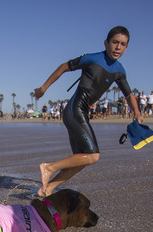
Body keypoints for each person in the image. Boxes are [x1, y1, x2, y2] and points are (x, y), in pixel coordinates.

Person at [33, 26, 142, 197]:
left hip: (82, 112)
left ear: (126, 47)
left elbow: (128, 94)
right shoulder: (93, 58)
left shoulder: (120, 71)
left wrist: (137, 112)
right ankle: (48, 167)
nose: (118, 47)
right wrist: (43, 88)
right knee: (93, 156)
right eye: (115, 42)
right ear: (106, 43)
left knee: (81, 159)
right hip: (75, 109)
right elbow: (64, 67)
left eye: (123, 44)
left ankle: (47, 189)